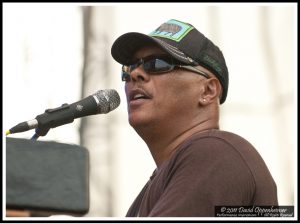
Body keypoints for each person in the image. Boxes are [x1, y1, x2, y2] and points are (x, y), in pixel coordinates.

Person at [111, 19, 278, 217]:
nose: (135, 74)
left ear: (207, 90)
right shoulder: (150, 190)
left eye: (157, 63)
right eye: (129, 68)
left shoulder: (216, 152)